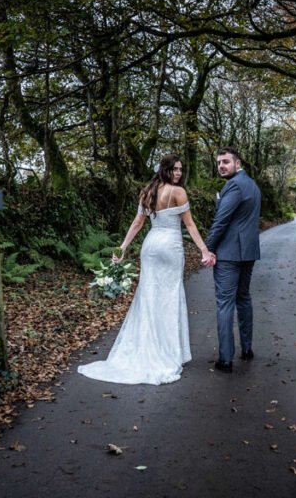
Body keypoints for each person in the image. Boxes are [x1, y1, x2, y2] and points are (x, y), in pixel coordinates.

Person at [78, 155, 213, 385]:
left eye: (181, 169)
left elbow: (138, 223)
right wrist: (204, 250)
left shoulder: (147, 191)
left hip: (150, 245)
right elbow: (189, 224)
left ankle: (147, 345)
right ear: (165, 169)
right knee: (169, 296)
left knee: (149, 296)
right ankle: (168, 351)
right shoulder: (177, 192)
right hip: (170, 246)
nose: (179, 173)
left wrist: (122, 247)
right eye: (175, 169)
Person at [204, 146, 261, 373]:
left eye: (226, 162)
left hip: (229, 254)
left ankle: (225, 359)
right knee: (243, 299)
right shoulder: (253, 185)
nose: (221, 166)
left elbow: (221, 221)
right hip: (248, 252)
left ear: (238, 163)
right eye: (219, 163)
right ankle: (247, 349)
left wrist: (207, 249)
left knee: (225, 303)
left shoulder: (234, 185)